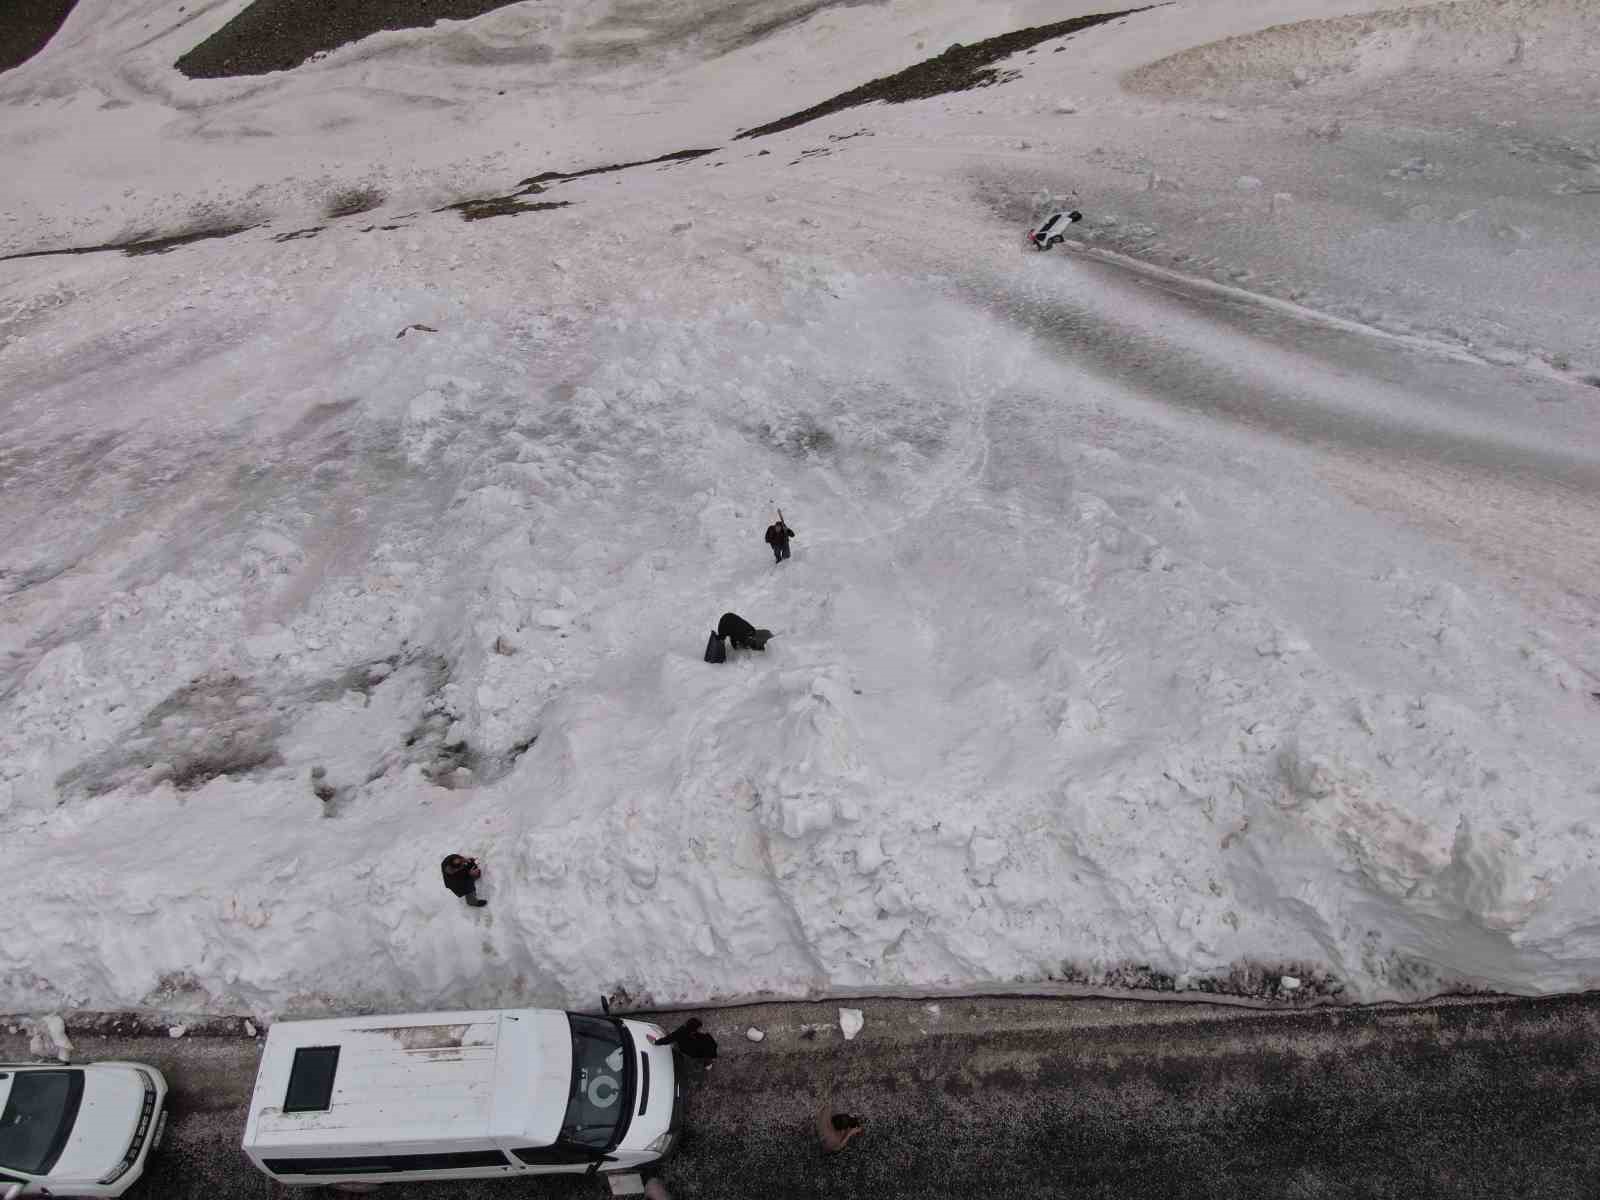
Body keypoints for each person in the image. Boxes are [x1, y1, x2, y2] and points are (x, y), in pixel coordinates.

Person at [651, 1016, 718, 1061]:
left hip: (691, 1050)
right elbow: (668, 1039)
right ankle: (708, 1061)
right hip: (694, 1051)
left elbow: (668, 1039)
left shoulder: (681, 1031)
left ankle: (707, 1060)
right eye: (699, 1028)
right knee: (705, 1054)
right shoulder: (704, 1037)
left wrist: (656, 1042)